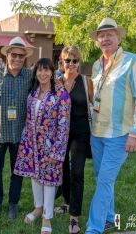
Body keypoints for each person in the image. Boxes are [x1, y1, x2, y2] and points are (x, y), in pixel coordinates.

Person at [86, 18, 136, 234]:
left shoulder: (133, 61)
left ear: (118, 37)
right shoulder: (96, 65)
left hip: (120, 134)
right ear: (97, 41)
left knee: (104, 181)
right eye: (101, 36)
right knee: (102, 179)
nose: (105, 39)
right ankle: (112, 218)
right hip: (97, 132)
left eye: (109, 34)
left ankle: (93, 229)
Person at [14, 58, 71, 234]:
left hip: (51, 146)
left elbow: (64, 125)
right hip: (31, 144)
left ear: (52, 72)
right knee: (34, 176)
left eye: (46, 70)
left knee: (49, 180)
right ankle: (38, 208)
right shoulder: (33, 92)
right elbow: (29, 119)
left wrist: (57, 152)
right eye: (39, 70)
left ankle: (47, 216)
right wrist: (25, 144)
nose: (43, 74)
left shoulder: (61, 95)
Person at [0, 36, 33, 219]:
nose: (17, 59)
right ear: (7, 55)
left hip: (20, 134)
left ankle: (13, 203)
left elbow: (44, 88)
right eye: (14, 55)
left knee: (17, 171)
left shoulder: (29, 76)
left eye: (21, 56)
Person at [53, 46, 94, 234]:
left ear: (79, 62)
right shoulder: (57, 82)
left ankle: (74, 217)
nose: (70, 64)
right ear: (61, 61)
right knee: (62, 171)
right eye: (67, 60)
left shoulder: (86, 82)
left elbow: (95, 105)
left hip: (80, 133)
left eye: (74, 60)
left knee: (77, 171)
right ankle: (67, 203)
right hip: (60, 134)